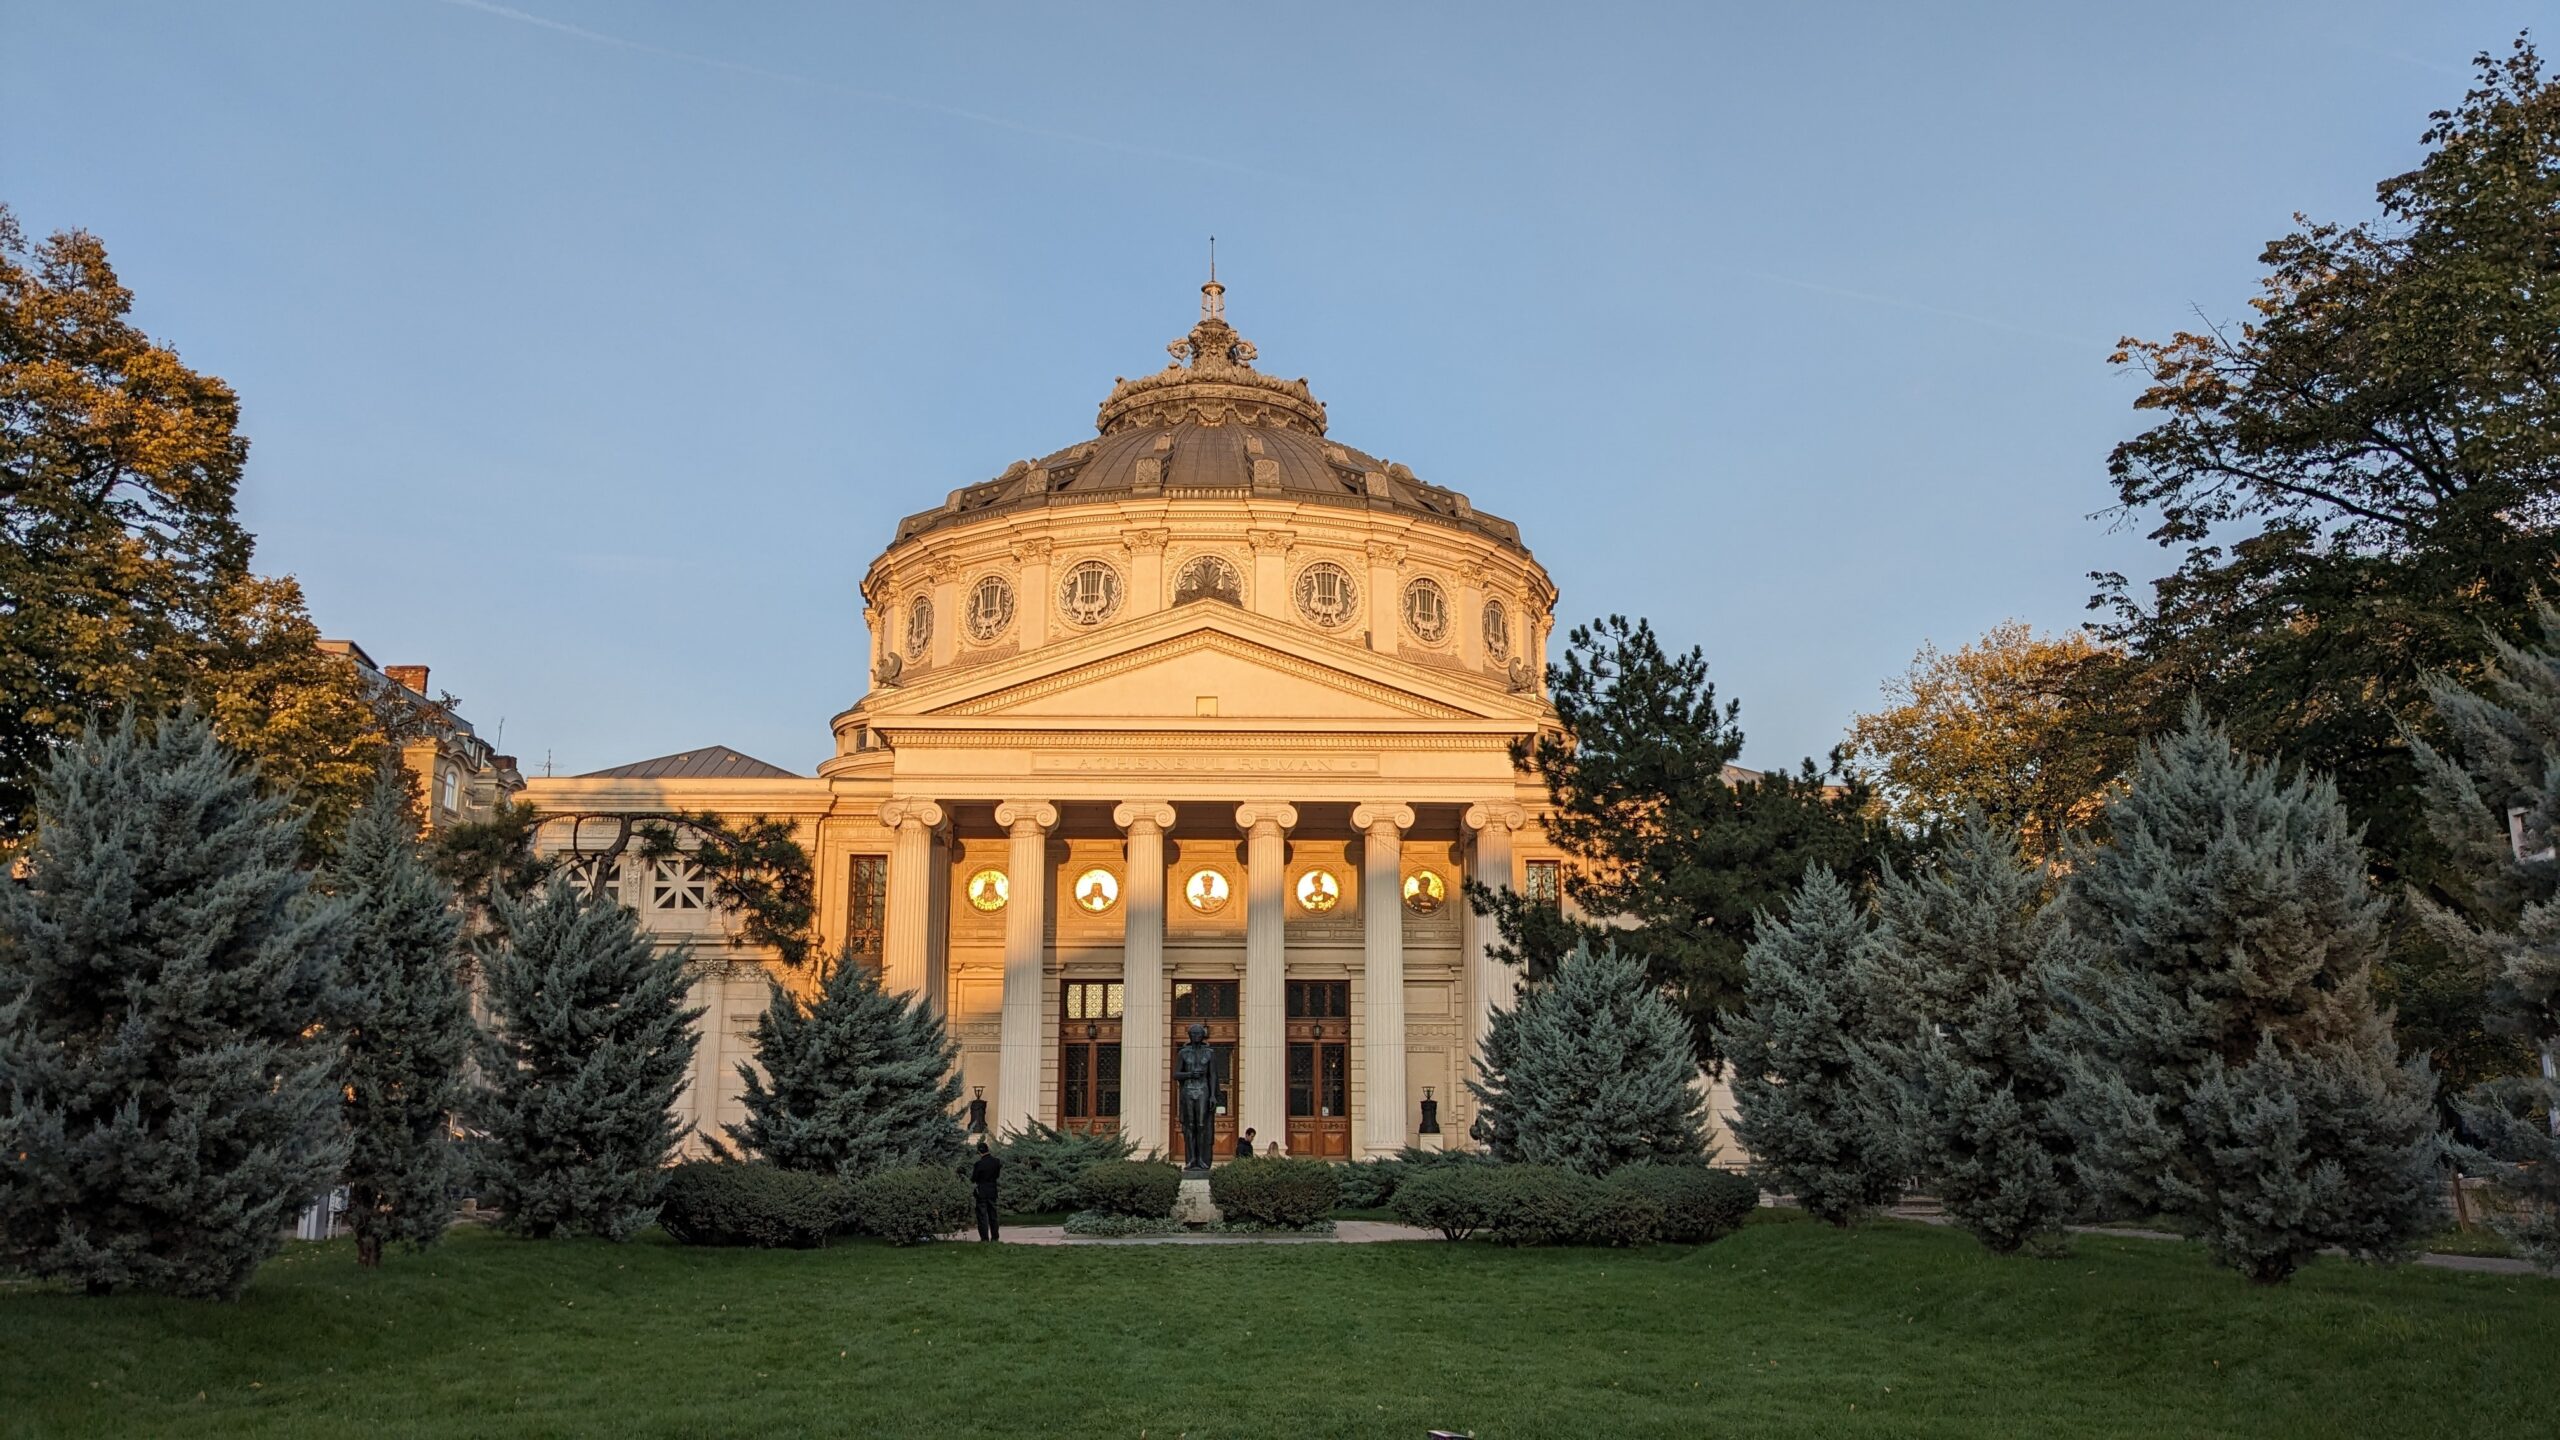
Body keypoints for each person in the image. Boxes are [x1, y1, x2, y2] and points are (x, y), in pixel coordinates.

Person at [970, 1140, 1002, 1242]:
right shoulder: (996, 1162)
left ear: (979, 1152)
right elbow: (997, 1175)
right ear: (988, 1149)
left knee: (982, 1215)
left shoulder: (979, 1164)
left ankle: (984, 1238)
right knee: (993, 1214)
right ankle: (995, 1237)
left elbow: (974, 1178)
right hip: (992, 1190)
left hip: (982, 1191)